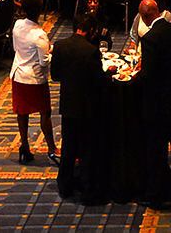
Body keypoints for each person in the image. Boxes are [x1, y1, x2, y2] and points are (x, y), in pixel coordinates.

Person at [137, 0, 171, 208]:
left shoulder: (150, 39)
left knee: (156, 151)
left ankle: (156, 193)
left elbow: (148, 75)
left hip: (158, 103)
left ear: (145, 17)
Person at [53, 16, 105, 202]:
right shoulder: (91, 51)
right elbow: (99, 80)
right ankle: (87, 188)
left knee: (68, 146)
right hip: (87, 106)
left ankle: (65, 185)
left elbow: (55, 75)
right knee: (86, 149)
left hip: (68, 104)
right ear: (90, 31)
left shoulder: (60, 46)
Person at [8, 0, 56, 165]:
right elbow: (44, 63)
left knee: (22, 113)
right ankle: (51, 147)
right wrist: (51, 52)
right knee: (45, 113)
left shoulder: (17, 25)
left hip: (18, 74)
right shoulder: (40, 35)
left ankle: (25, 146)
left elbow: (16, 48)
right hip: (34, 79)